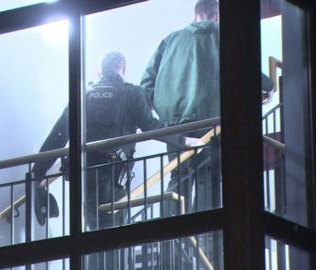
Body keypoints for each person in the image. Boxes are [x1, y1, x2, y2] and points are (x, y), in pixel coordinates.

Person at [32, 50, 201, 269]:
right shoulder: (131, 94)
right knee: (114, 233)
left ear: (99, 71)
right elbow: (151, 127)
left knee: (93, 232)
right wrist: (184, 141)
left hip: (83, 175)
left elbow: (57, 137)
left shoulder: (82, 96)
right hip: (111, 176)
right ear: (123, 69)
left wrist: (37, 175)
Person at [140, 0, 273, 269]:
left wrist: (167, 115)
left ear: (194, 14)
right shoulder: (226, 37)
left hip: (179, 128)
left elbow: (146, 84)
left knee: (177, 181)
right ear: (218, 15)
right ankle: (208, 253)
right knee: (208, 188)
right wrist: (266, 89)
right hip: (215, 125)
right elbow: (252, 75)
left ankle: (169, 242)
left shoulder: (171, 40)